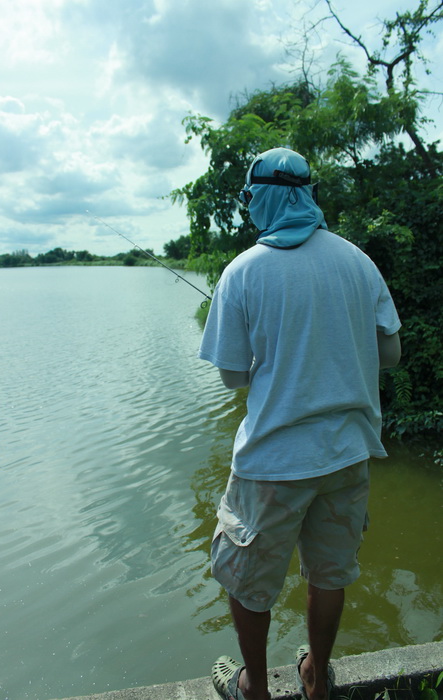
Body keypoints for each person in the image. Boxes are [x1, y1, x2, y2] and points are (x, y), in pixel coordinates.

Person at [198, 147, 401, 700]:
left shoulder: (243, 271)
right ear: (309, 193)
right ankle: (315, 679)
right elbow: (390, 353)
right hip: (348, 454)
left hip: (274, 461)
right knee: (330, 571)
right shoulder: (358, 261)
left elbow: (233, 379)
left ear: (260, 198)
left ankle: (255, 688)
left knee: (247, 577)